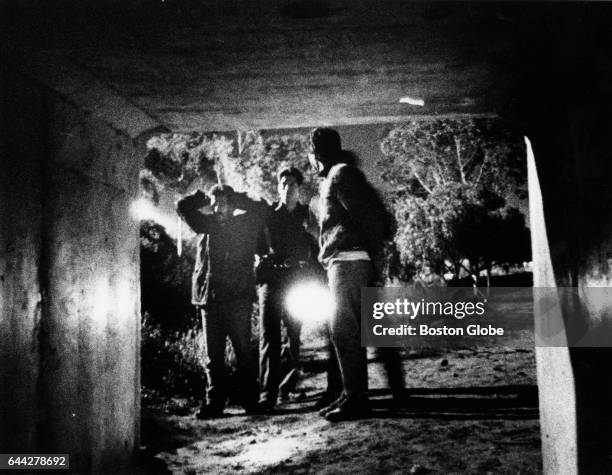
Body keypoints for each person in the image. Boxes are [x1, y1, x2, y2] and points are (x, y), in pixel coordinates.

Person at [308, 127, 395, 422]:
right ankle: (351, 394)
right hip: (343, 262)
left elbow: (366, 219)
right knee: (344, 331)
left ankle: (357, 400)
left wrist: (375, 265)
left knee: (345, 330)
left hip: (350, 262)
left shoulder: (342, 174)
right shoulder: (337, 175)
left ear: (317, 154)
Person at [176, 184, 268, 419]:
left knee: (243, 355)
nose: (219, 207)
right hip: (210, 300)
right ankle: (214, 404)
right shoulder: (207, 225)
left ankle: (250, 401)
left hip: (237, 300)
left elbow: (261, 209)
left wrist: (236, 198)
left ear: (232, 204)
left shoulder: (243, 225)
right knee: (213, 358)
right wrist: (203, 197)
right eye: (216, 203)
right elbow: (182, 207)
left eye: (224, 202)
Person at [257, 167, 321, 411]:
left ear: (299, 188)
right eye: (283, 183)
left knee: (293, 336)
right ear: (278, 187)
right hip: (272, 282)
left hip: (298, 281)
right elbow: (256, 244)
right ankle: (268, 394)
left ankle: (286, 386)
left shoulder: (307, 215)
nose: (287, 187)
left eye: (293, 184)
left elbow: (317, 243)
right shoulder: (268, 214)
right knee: (268, 337)